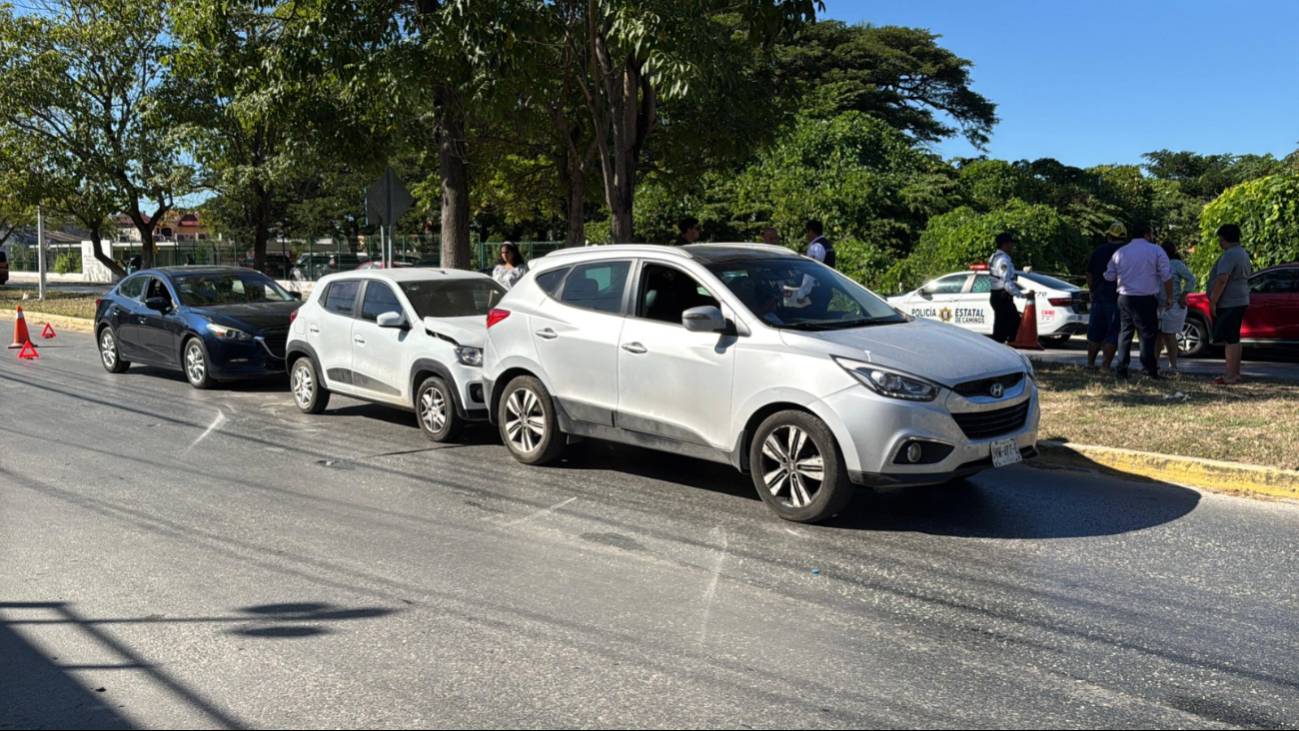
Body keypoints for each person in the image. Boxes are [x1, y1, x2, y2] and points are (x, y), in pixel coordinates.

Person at [1104, 222, 1173, 380]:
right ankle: (1149, 370)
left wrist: (1125, 279)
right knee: (1147, 335)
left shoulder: (1120, 252)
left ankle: (1121, 369)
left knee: (1125, 333)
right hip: (1145, 298)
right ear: (1147, 235)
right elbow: (1166, 275)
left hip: (1124, 297)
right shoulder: (1156, 250)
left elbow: (1109, 275)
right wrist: (1170, 296)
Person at [1207, 224, 1251, 385]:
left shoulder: (1229, 255)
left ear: (1223, 239)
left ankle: (1230, 375)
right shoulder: (1242, 253)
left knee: (1229, 339)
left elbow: (1222, 279)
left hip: (1229, 301)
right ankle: (1235, 372)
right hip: (1240, 299)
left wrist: (1213, 300)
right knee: (1234, 337)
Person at [1084, 223, 1127, 371]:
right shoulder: (1126, 252)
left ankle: (1090, 364)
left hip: (1099, 296)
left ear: (1109, 236)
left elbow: (1089, 274)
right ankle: (1105, 366)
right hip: (1118, 298)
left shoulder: (1099, 251)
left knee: (1095, 332)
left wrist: (1092, 291)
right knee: (1113, 333)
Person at [1155, 240, 1197, 374]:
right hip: (1157, 304)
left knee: (1169, 335)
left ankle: (1173, 365)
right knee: (1158, 336)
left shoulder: (1176, 264)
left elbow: (1191, 279)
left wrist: (1183, 296)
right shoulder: (1157, 264)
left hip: (1172, 305)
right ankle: (1155, 365)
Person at [987, 232, 1024, 344]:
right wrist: (1021, 295)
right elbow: (1007, 282)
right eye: (1011, 244)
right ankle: (997, 355)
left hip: (998, 296)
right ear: (1004, 245)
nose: (1012, 247)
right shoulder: (1003, 261)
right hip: (1002, 297)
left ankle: (1011, 350)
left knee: (1015, 325)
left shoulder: (994, 257)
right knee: (1001, 332)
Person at [794, 219, 835, 308]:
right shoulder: (827, 244)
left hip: (817, 290)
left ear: (811, 232)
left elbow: (810, 273)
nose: (807, 236)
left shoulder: (816, 247)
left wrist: (801, 294)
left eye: (807, 233)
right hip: (826, 287)